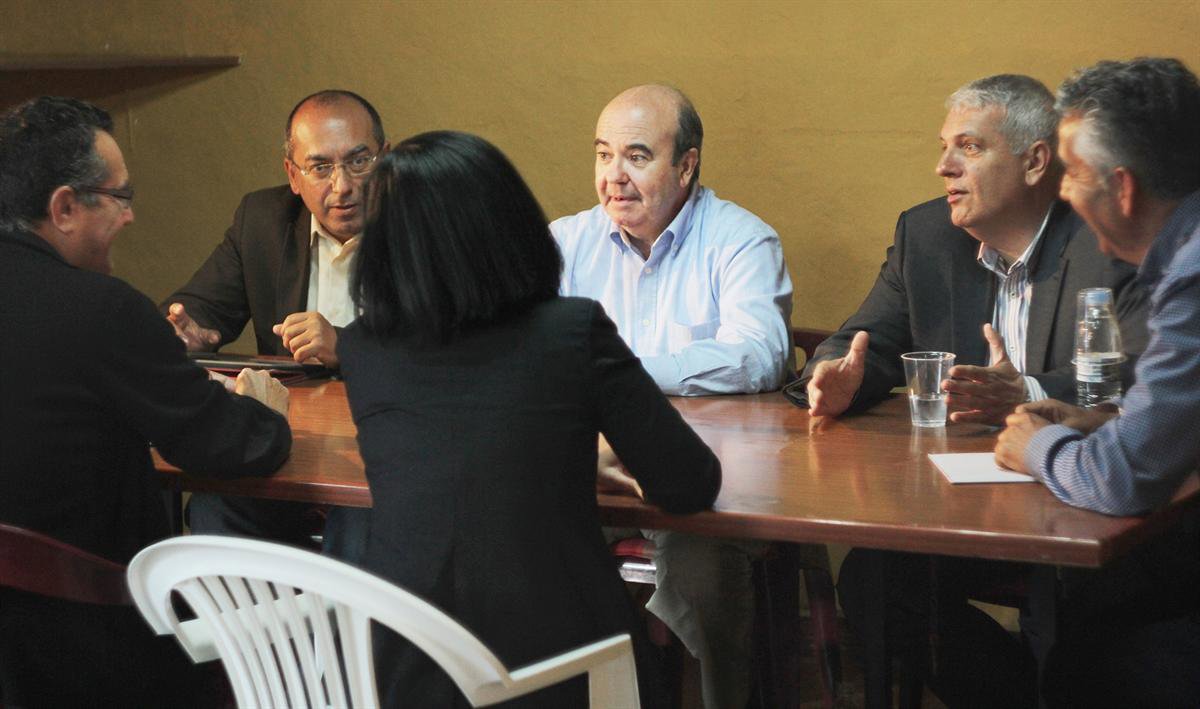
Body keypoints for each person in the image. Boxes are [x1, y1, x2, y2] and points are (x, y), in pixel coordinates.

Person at [337, 130, 721, 707]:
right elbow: (689, 482)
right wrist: (580, 458)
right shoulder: (569, 330)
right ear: (510, 224)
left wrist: (560, 456)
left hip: (404, 667)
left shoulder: (363, 349)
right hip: (564, 669)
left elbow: (456, 456)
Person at [821, 75, 1151, 709]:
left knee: (1074, 608)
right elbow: (865, 339)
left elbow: (1141, 374)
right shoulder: (927, 235)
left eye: (969, 147)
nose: (944, 166)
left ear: (1035, 161)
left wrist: (1027, 392)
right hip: (971, 505)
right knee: (873, 578)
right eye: (944, 147)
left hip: (1087, 500)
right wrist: (840, 376)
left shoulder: (1108, 237)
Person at [0, 97, 292, 707]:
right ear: (64, 207)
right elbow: (234, 445)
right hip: (89, 643)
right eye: (121, 197)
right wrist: (265, 409)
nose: (131, 216)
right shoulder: (99, 310)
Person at [551, 84, 793, 708]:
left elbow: (760, 353)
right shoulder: (566, 242)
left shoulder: (741, 239)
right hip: (592, 469)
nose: (614, 176)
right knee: (524, 531)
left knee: (702, 568)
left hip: (703, 475)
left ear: (687, 166)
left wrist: (620, 376)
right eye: (603, 155)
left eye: (636, 157)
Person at [994, 57, 1200, 707]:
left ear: (1124, 188)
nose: (1064, 195)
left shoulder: (1193, 275)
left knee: (1090, 654)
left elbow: (1122, 477)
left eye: (1074, 175)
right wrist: (1106, 422)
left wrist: (1036, 446)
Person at [167, 90, 386, 555]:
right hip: (292, 443)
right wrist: (186, 331)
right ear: (293, 175)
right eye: (320, 167)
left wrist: (344, 345)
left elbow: (449, 348)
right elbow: (200, 306)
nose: (343, 186)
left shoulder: (425, 222)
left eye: (359, 161)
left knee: (361, 523)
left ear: (385, 159)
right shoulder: (262, 220)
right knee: (214, 509)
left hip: (386, 447)